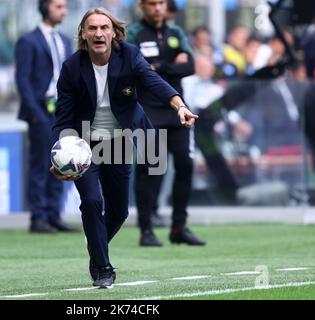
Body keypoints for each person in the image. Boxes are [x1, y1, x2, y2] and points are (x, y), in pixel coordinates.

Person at [50, 7, 199, 288]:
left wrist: (179, 105)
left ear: (114, 32)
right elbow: (63, 117)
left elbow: (153, 81)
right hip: (84, 144)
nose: (98, 33)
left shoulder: (128, 55)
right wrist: (58, 153)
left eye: (104, 28)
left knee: (119, 211)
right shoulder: (72, 67)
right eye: (92, 28)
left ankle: (96, 246)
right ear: (83, 33)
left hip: (119, 141)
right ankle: (103, 267)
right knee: (92, 201)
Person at [127, 0, 206, 247]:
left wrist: (159, 66)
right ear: (142, 6)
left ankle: (178, 227)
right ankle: (146, 229)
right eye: (152, 3)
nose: (158, 8)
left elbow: (190, 65)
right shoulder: (134, 34)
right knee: (150, 171)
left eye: (161, 3)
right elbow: (135, 68)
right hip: (148, 112)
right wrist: (172, 65)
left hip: (176, 110)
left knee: (185, 165)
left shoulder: (176, 32)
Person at [15, 0, 79, 233]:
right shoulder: (28, 41)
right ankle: (38, 217)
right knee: (40, 164)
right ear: (45, 8)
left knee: (61, 162)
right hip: (40, 111)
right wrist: (35, 114)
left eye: (64, 7)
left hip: (61, 111)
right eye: (58, 6)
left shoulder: (63, 40)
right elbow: (23, 81)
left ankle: (54, 215)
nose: (63, 11)